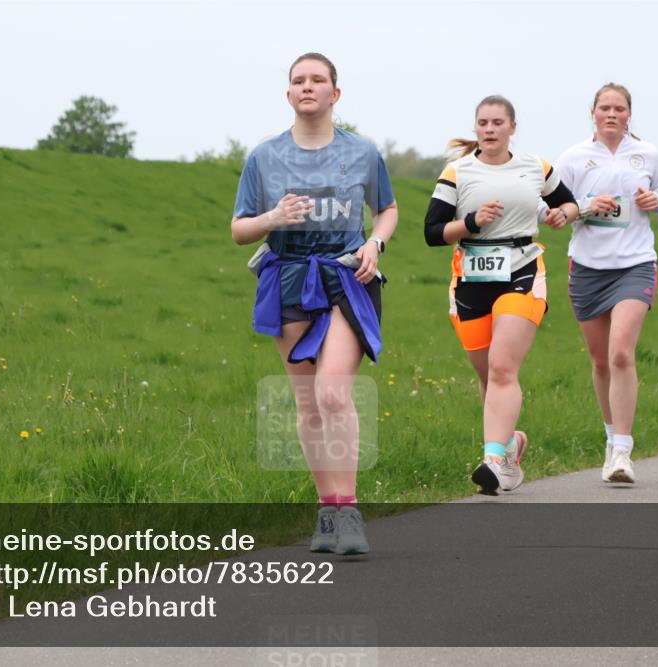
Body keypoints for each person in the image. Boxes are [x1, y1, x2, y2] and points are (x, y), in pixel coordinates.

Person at [231, 53, 398, 552]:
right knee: (308, 405)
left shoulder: (363, 152)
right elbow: (239, 229)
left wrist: (375, 243)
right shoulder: (264, 157)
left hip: (347, 277)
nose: (308, 86)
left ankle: (349, 512)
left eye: (317, 80)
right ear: (288, 95)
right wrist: (272, 219)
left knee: (332, 394)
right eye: (298, 80)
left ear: (334, 93)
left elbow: (387, 209)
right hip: (288, 279)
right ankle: (327, 511)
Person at [424, 95, 577, 495]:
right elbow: (432, 232)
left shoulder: (536, 166)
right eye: (483, 123)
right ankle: (510, 445)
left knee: (502, 367)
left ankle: (493, 461)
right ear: (475, 128)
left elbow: (568, 204)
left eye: (497, 122)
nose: (489, 129)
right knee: (488, 375)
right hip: (471, 278)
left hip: (522, 268)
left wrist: (563, 215)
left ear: (512, 127)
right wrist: (472, 221)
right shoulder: (458, 171)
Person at [554, 83, 658, 484]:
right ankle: (610, 439)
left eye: (619, 108)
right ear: (593, 113)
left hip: (635, 264)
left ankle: (623, 450)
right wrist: (586, 207)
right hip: (588, 267)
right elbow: (551, 208)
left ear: (629, 115)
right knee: (601, 361)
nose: (611, 114)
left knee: (621, 352)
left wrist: (655, 201)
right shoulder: (573, 158)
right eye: (604, 107)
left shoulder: (648, 154)